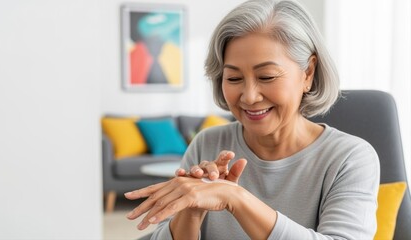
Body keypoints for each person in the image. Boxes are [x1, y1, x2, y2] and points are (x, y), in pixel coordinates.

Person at [125, 0, 380, 239]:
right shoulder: (207, 144)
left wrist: (235, 199)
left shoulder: (350, 157)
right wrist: (190, 211)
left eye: (267, 76)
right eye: (234, 79)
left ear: (308, 73)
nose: (249, 96)